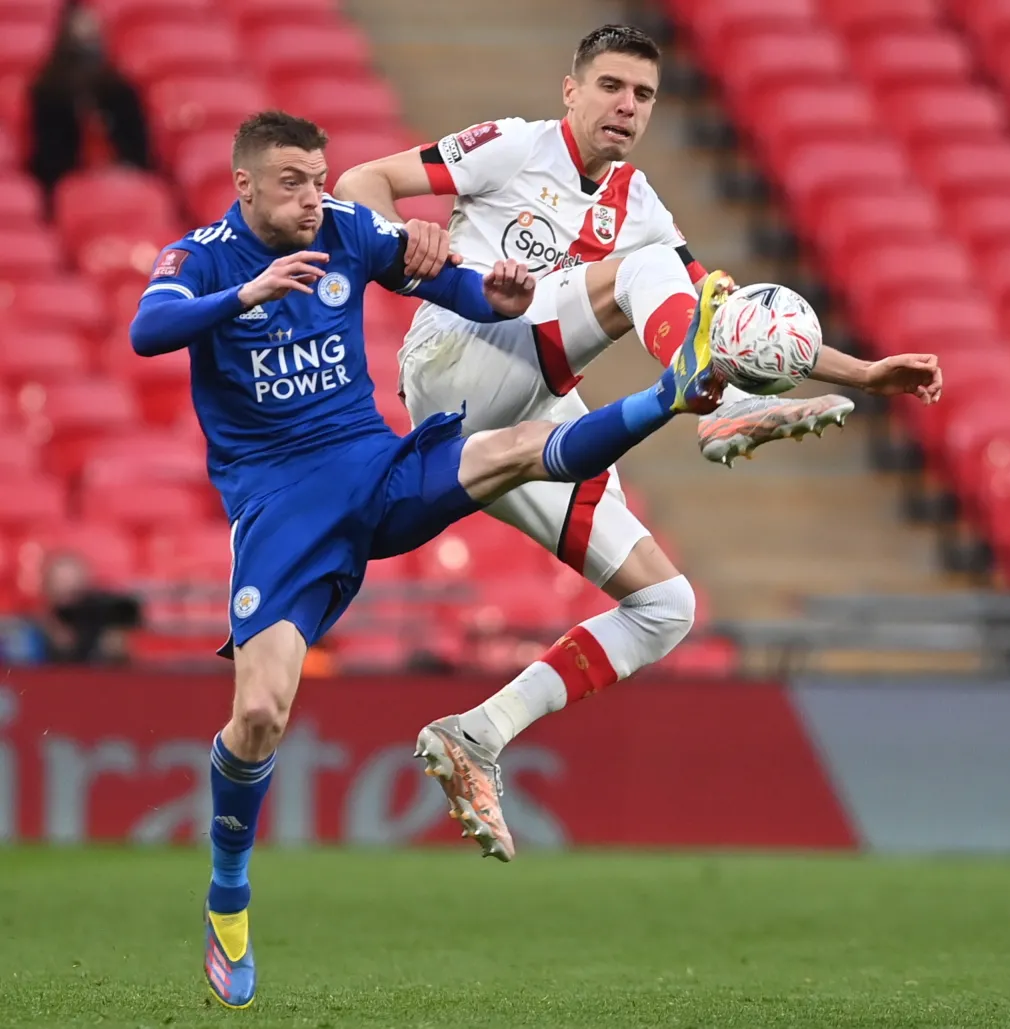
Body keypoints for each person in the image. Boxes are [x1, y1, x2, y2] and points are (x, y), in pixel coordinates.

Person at [128, 109, 729, 1010]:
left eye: (320, 175)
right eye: (291, 180)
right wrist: (248, 297)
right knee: (258, 713)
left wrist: (503, 291)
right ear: (244, 183)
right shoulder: (204, 255)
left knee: (517, 446)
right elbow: (149, 330)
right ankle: (227, 893)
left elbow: (463, 293)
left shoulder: (346, 229)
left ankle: (668, 395)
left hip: (375, 468)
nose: (312, 194)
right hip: (281, 509)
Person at [333, 25, 942, 859]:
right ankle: (709, 405)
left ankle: (476, 735)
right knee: (639, 273)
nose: (626, 106)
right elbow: (364, 177)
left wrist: (863, 375)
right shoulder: (513, 147)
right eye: (612, 86)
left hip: (529, 413)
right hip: (454, 363)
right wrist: (403, 235)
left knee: (667, 606)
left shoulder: (640, 202)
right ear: (570, 91)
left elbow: (725, 319)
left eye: (644, 95)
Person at [27, 2, 151, 201]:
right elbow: (47, 152)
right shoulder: (49, 91)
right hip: (67, 178)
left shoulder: (119, 89)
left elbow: (137, 143)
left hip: (122, 174)